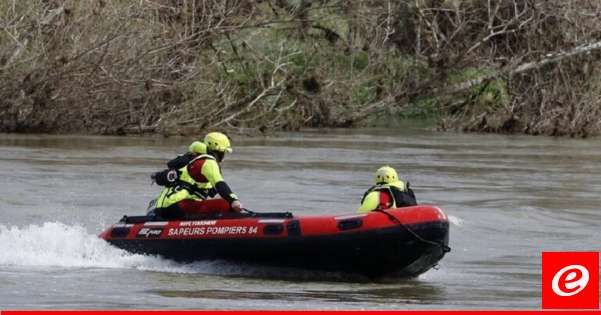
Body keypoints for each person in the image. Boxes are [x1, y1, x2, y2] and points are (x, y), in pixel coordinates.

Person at [150, 132, 243, 219]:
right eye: (224, 152)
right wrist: (233, 200)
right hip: (178, 206)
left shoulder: (191, 159)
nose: (224, 156)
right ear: (219, 151)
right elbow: (219, 184)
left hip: (165, 207)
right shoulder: (208, 162)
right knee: (226, 205)